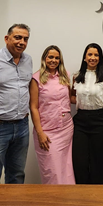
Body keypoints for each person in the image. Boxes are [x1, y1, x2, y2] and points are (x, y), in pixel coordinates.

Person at [0, 24, 33, 184]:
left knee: (17, 175)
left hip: (22, 126)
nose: (21, 42)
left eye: (25, 39)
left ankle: (14, 202)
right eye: (17, 37)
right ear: (6, 38)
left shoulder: (28, 60)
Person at [29, 45, 76, 185]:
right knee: (52, 171)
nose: (53, 60)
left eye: (56, 58)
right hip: (47, 131)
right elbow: (33, 107)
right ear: (44, 58)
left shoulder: (65, 76)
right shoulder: (36, 78)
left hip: (66, 128)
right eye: (50, 57)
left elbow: (70, 98)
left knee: (66, 168)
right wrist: (40, 133)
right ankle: (53, 198)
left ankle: (66, 197)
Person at [71, 43, 103, 184]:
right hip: (81, 121)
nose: (93, 57)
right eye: (90, 54)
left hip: (100, 121)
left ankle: (97, 195)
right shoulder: (77, 76)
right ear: (85, 57)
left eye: (96, 55)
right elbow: (72, 97)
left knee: (98, 163)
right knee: (80, 163)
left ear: (100, 58)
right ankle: (82, 194)